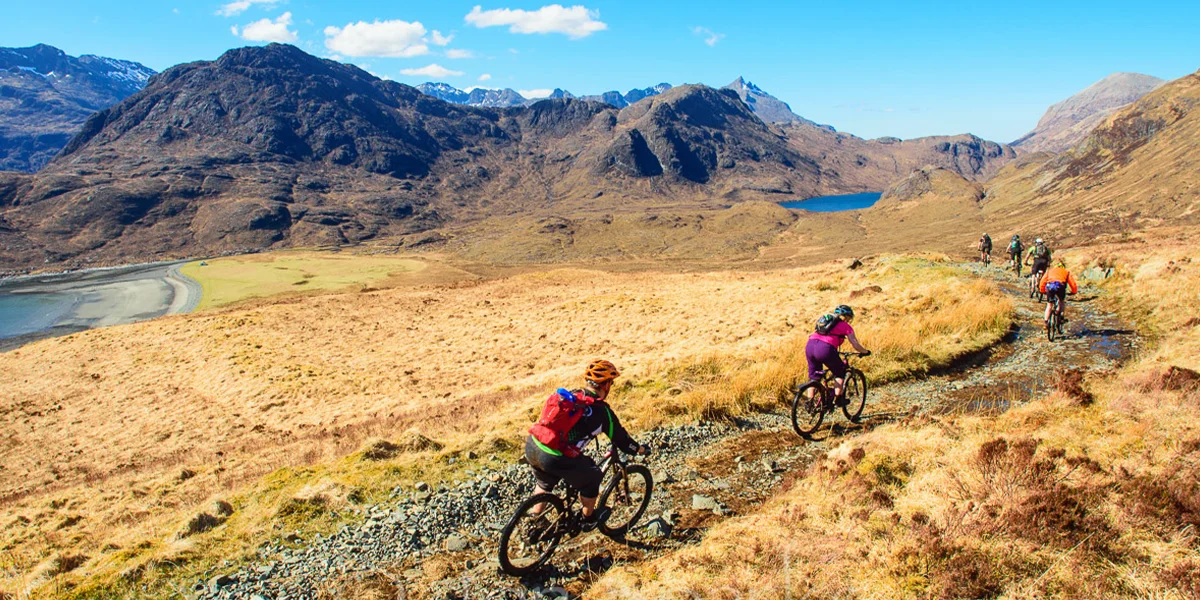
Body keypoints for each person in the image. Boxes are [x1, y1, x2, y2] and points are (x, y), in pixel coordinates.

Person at [524, 359, 649, 530]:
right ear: (606, 385)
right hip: (554, 457)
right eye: (611, 383)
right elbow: (623, 440)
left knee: (545, 482)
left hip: (533, 444)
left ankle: (534, 518)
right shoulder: (602, 412)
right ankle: (587, 519)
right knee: (592, 477)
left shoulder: (573, 395)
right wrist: (640, 449)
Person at [806, 305, 871, 406]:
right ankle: (838, 399)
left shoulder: (826, 323)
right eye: (849, 318)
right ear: (846, 317)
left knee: (814, 377)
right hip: (825, 349)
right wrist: (865, 351)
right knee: (840, 371)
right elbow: (855, 343)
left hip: (810, 346)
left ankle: (809, 403)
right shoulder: (845, 326)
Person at [1038, 261, 1079, 326]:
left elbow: (1042, 281)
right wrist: (1074, 292)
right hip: (1060, 287)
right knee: (1061, 301)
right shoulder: (1066, 272)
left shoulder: (1049, 271)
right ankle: (1061, 317)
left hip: (1050, 287)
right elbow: (1072, 283)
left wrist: (1042, 290)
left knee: (1049, 305)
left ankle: (1046, 322)